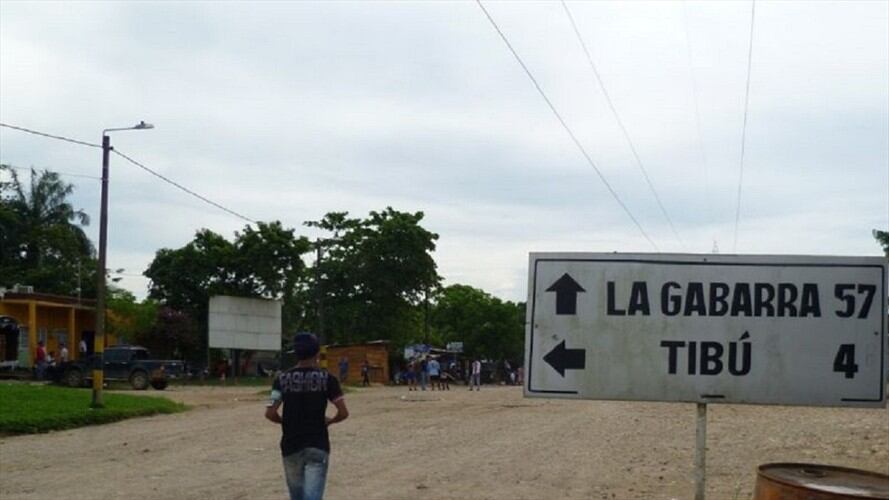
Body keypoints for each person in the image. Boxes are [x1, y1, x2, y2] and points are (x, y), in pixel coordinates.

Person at [266, 333, 348, 500]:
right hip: (317, 444)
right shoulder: (328, 379)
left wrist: (286, 421)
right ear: (317, 353)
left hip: (291, 444)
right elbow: (343, 412)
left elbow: (270, 413)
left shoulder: (282, 379)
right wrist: (330, 421)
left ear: (296, 353)